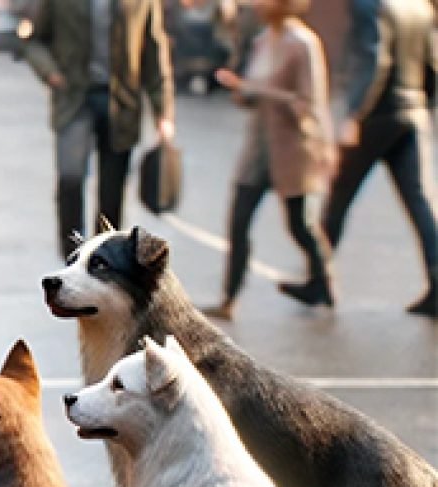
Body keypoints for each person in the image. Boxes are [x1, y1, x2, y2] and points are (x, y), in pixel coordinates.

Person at [202, 0, 336, 319]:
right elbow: (250, 95)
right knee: (239, 220)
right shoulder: (263, 40)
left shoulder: (303, 43)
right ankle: (229, 298)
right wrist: (241, 91)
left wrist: (256, 89)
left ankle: (323, 281)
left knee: (299, 224)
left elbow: (308, 101)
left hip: (292, 147)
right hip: (258, 147)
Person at [24, 0, 175, 258]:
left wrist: (164, 112)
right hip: (74, 98)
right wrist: (50, 72)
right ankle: (73, 255)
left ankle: (106, 258)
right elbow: (34, 41)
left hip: (121, 103)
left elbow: (153, 51)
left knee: (112, 191)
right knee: (70, 178)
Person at [321, 0, 438, 318]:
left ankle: (319, 276)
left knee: (339, 193)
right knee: (420, 201)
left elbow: (374, 59)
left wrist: (355, 114)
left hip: (377, 115)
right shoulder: (419, 7)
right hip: (411, 112)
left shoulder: (370, 6)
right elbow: (432, 64)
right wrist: (424, 106)